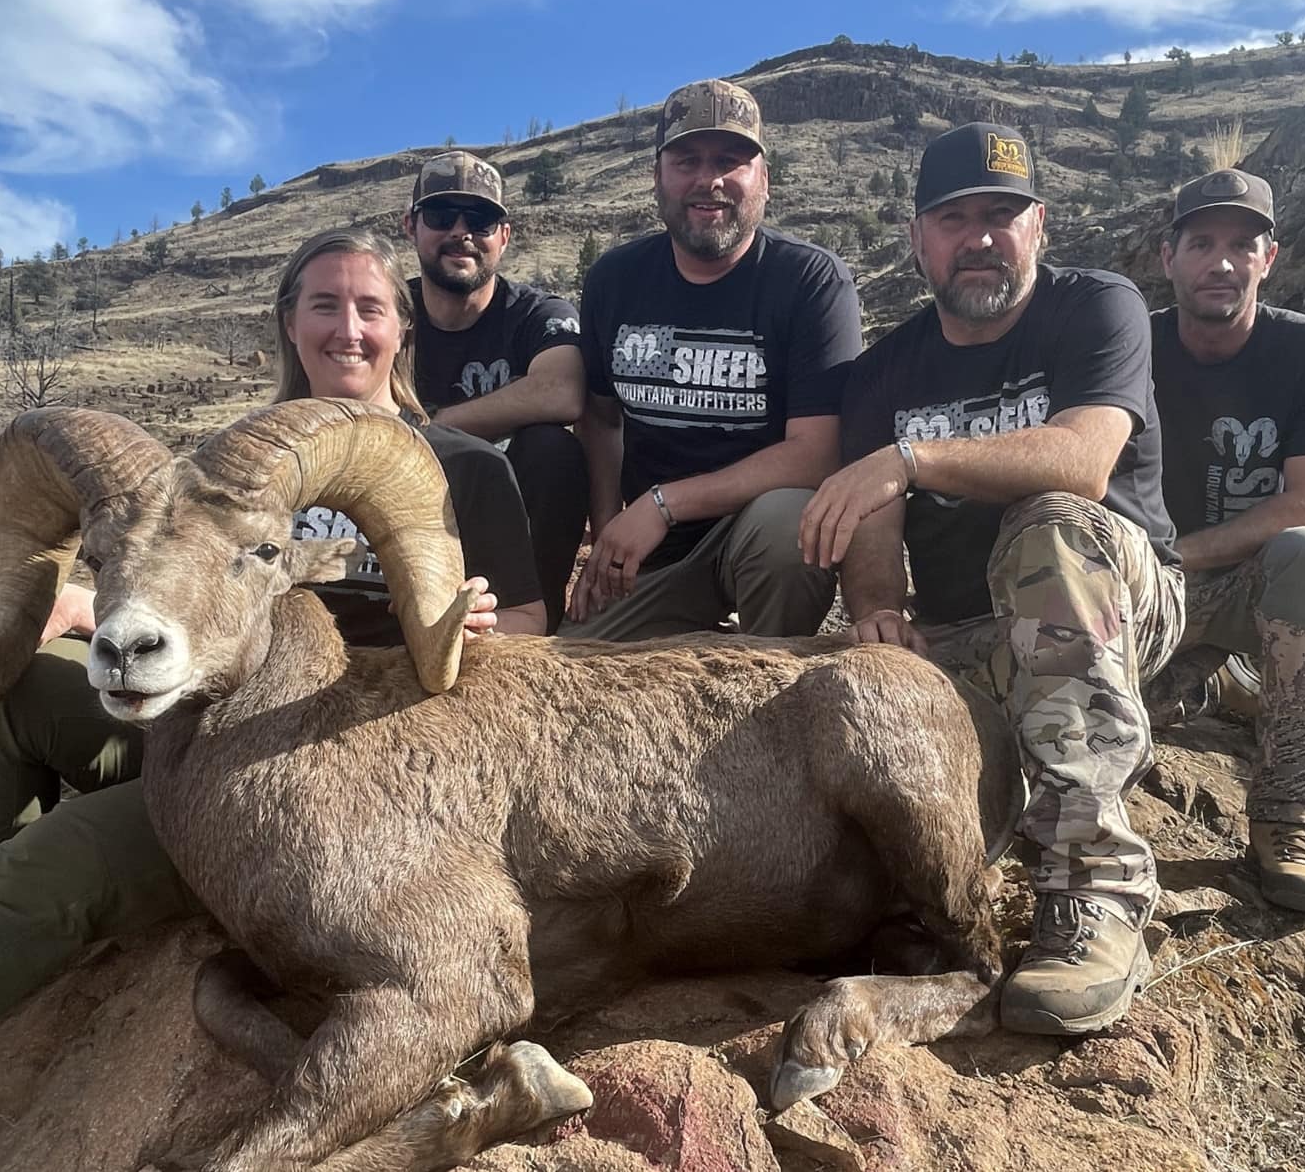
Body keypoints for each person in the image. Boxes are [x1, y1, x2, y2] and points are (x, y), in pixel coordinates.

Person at [0, 226, 543, 1139]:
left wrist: (471, 624)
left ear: (401, 329)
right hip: (191, 713)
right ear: (288, 320)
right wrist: (49, 609)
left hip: (323, 775)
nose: (348, 327)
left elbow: (529, 630)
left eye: (370, 306)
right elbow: (173, 592)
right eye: (324, 303)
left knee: (59, 863)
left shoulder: (461, 469)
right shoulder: (226, 461)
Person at [799, 122, 1183, 1036]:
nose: (979, 236)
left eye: (1001, 215)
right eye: (954, 217)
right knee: (850, 682)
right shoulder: (885, 368)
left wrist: (912, 458)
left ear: (1039, 226)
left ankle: (1098, 886)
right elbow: (872, 526)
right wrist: (880, 609)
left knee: (1049, 523)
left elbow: (1087, 459)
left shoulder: (1098, 307)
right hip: (971, 628)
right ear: (918, 238)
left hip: (1117, 593)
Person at [562, 78, 862, 640]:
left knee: (786, 527)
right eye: (687, 161)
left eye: (730, 160)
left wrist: (661, 505)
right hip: (656, 553)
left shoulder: (810, 280)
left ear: (764, 181)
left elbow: (817, 455)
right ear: (657, 177)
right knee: (574, 675)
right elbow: (600, 419)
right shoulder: (614, 280)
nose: (709, 180)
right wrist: (609, 531)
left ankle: (768, 682)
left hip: (752, 528)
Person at [1149, 168, 1305, 915]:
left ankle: (1288, 819)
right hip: (1147, 586)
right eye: (1202, 242)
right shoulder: (1127, 349)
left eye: (1244, 243)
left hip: (1243, 577)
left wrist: (1177, 553)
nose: (1223, 261)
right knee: (1097, 718)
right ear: (1166, 256)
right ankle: (1215, 677)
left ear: (1271, 258)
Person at [406, 151, 589, 630]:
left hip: (502, 507)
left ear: (503, 237)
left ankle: (532, 620)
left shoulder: (537, 313)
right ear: (411, 226)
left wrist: (435, 427)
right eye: (442, 215)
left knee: (554, 450)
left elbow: (563, 391)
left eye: (481, 219)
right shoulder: (386, 312)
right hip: (404, 497)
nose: (461, 232)